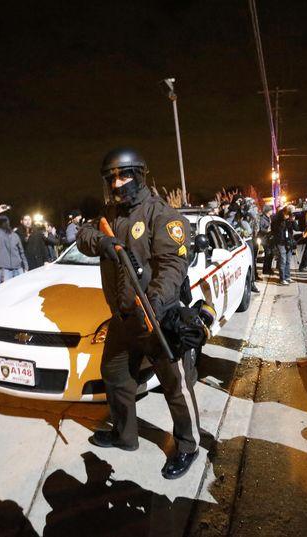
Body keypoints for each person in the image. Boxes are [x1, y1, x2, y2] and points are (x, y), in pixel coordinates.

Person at [77, 147, 205, 479]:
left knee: (175, 387)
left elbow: (173, 267)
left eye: (124, 175)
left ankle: (188, 446)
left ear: (139, 175)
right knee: (116, 375)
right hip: (123, 319)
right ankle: (125, 435)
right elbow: (83, 236)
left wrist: (153, 303)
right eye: (112, 178)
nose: (118, 183)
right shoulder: (111, 213)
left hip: (156, 317)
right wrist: (102, 243)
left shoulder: (162, 215)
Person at [0, 205, 28, 282]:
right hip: (6, 269)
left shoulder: (14, 235)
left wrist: (26, 266)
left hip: (17, 268)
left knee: (18, 290)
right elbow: (22, 252)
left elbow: (21, 251)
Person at [272, 205, 297, 285]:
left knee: (288, 260)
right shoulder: (278, 217)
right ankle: (282, 279)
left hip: (288, 242)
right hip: (280, 241)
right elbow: (277, 230)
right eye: (289, 213)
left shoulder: (289, 218)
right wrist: (285, 220)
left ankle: (287, 276)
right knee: (283, 260)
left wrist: (292, 221)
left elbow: (295, 228)